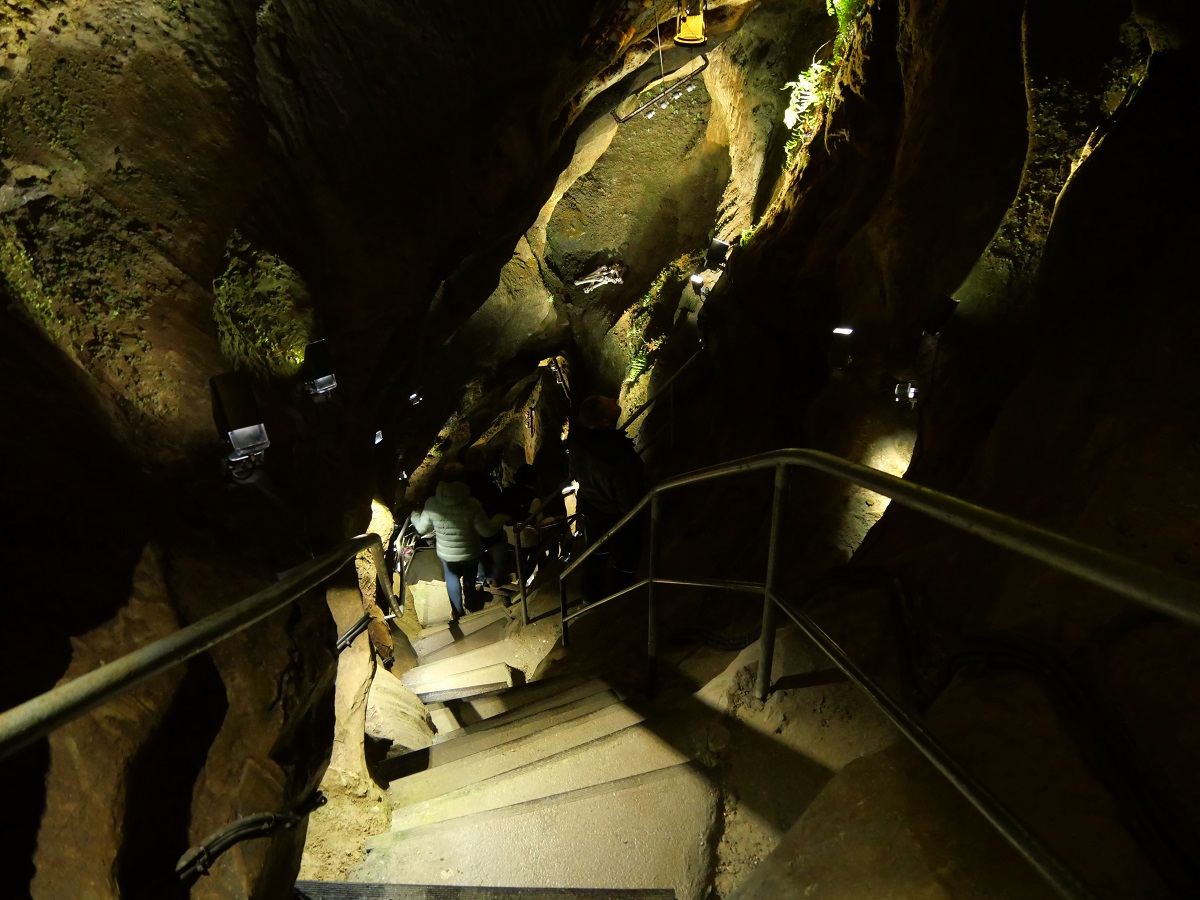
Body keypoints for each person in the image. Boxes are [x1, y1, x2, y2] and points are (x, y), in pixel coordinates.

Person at [564, 395, 645, 604]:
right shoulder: (618, 456)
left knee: (595, 552)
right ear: (605, 422)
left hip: (592, 503)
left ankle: (589, 596)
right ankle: (619, 596)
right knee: (625, 555)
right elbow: (629, 497)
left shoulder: (576, 439)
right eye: (610, 403)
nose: (612, 400)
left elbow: (574, 471)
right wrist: (636, 518)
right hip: (614, 510)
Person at [411, 462, 506, 619]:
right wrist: (500, 518)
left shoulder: (432, 503)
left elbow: (422, 529)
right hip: (470, 551)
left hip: (447, 553)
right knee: (469, 579)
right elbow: (485, 530)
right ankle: (471, 602)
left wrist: (415, 514)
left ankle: (457, 611)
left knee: (452, 578)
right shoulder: (472, 504)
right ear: (463, 478)